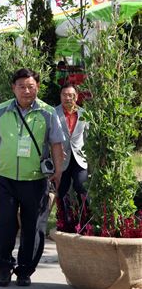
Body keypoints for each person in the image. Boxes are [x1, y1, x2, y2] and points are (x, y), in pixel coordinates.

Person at [0, 68, 64, 288]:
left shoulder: (47, 112)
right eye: (22, 86)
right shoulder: (1, 110)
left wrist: (58, 171)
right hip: (6, 178)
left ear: (37, 87)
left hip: (35, 179)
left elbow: (56, 144)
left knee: (34, 226)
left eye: (31, 86)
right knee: (5, 224)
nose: (27, 91)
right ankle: (5, 268)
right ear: (13, 88)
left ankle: (25, 270)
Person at [55, 84, 88, 214]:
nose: (68, 98)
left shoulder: (83, 114)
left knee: (81, 185)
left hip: (80, 157)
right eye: (65, 95)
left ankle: (84, 216)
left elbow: (87, 136)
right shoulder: (53, 113)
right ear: (60, 96)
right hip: (61, 158)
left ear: (77, 96)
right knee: (62, 189)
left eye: (71, 95)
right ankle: (63, 219)